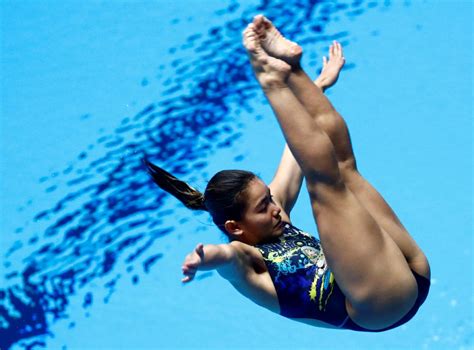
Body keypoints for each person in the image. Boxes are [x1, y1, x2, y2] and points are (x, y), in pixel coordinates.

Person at [145, 15, 430, 332]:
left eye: (268, 197)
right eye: (263, 207)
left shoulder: (275, 215)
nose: (276, 207)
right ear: (235, 227)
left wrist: (316, 87)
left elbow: (300, 146)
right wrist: (202, 259)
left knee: (341, 167)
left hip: (408, 269)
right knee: (325, 185)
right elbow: (224, 257)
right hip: (379, 303)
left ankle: (292, 71)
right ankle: (272, 80)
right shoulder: (247, 260)